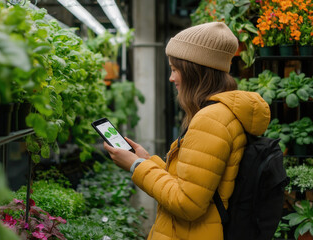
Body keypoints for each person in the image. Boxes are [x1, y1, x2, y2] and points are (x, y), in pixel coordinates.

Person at [103, 22, 271, 240]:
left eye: (175, 70)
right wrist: (147, 160)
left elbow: (188, 204)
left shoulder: (211, 120)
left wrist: (136, 166)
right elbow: (196, 184)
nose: (172, 78)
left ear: (195, 72)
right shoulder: (222, 113)